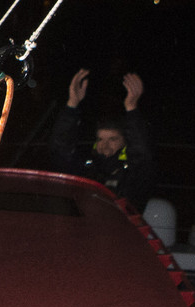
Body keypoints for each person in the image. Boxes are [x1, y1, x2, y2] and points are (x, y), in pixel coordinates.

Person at [49, 69, 158, 210]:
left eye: (112, 139)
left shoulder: (133, 174)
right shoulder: (88, 166)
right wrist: (72, 104)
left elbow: (142, 154)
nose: (105, 146)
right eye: (100, 139)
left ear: (125, 141)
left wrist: (131, 108)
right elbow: (59, 151)